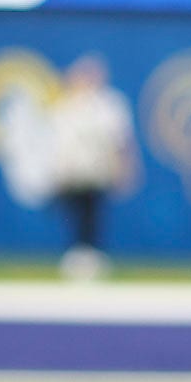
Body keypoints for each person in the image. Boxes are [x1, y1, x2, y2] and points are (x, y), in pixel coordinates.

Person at [51, 54, 139, 280]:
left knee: (94, 214)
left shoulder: (110, 105)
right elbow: (58, 143)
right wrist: (58, 170)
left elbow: (121, 141)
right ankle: (76, 257)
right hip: (73, 172)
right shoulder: (66, 105)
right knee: (74, 215)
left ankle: (92, 259)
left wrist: (126, 169)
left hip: (97, 171)